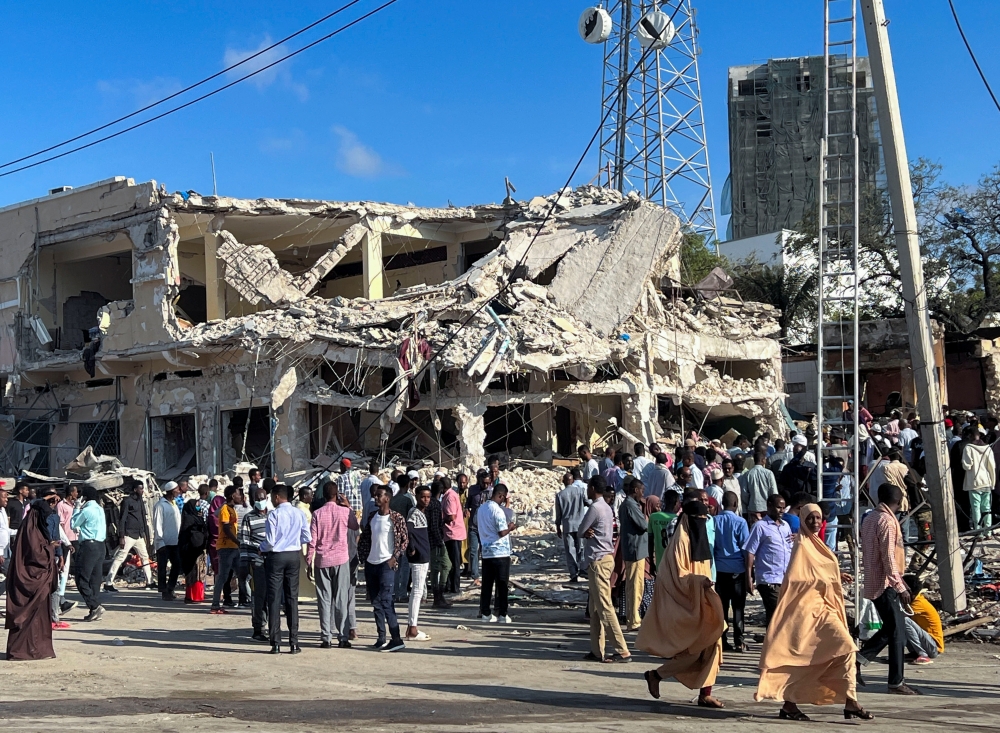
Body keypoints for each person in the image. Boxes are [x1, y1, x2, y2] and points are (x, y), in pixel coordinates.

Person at [756, 503, 873, 722]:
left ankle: (850, 701)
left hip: (824, 609)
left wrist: (837, 576)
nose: (815, 522)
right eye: (810, 518)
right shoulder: (801, 545)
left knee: (841, 653)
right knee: (830, 651)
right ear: (802, 519)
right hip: (808, 612)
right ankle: (791, 704)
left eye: (818, 518)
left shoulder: (818, 544)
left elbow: (822, 572)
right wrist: (827, 579)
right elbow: (796, 579)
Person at [639, 500, 725, 708]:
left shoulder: (700, 540)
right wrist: (698, 582)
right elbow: (678, 577)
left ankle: (706, 693)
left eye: (704, 521)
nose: (701, 524)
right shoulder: (681, 542)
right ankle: (656, 675)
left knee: (714, 646)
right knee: (694, 651)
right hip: (684, 604)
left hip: (703, 601)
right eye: (698, 520)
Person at [857, 483, 920, 694]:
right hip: (885, 582)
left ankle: (858, 659)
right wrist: (900, 586)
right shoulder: (886, 521)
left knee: (893, 629)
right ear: (899, 500)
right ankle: (896, 682)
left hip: (876, 580)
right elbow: (888, 557)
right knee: (897, 632)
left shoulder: (870, 518)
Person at [579, 477, 631, 663]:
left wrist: (586, 532)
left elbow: (580, 529)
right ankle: (596, 649)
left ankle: (622, 649)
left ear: (593, 489)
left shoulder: (595, 507)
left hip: (598, 560)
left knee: (604, 606)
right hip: (606, 558)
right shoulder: (608, 508)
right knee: (595, 608)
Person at [5, 491, 60, 660]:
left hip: (37, 581)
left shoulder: (30, 525)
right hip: (32, 579)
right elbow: (37, 556)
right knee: (31, 617)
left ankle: (38, 650)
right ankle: (25, 651)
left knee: (39, 616)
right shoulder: (32, 531)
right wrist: (50, 548)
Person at [307, 481, 360, 648]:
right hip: (341, 559)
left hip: (322, 560)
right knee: (341, 598)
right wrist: (348, 506)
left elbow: (312, 541)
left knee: (324, 598)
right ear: (337, 495)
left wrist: (309, 560)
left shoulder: (317, 514)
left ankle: (326, 637)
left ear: (323, 495)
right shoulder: (344, 512)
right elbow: (355, 526)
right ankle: (343, 636)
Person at [260, 484, 310, 654]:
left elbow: (270, 541)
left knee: (274, 598)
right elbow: (307, 536)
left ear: (276, 497)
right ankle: (294, 642)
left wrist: (262, 547)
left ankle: (276, 643)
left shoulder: (274, 514)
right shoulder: (299, 513)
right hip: (293, 555)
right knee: (292, 598)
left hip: (276, 556)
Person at [358, 485, 408, 652]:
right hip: (371, 564)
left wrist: (395, 557)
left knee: (386, 601)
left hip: (386, 564)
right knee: (376, 603)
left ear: (387, 498)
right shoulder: (372, 516)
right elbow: (365, 537)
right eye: (375, 495)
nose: (376, 498)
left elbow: (404, 541)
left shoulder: (396, 518)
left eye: (379, 495)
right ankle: (381, 638)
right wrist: (363, 558)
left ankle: (396, 638)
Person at [744, 493, 793, 628]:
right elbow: (750, 551)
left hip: (785, 578)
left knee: (780, 614)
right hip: (769, 578)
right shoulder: (760, 526)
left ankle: (772, 644)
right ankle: (773, 645)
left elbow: (790, 550)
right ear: (769, 506)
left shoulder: (785, 526)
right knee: (776, 611)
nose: (781, 511)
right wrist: (749, 576)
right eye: (778, 507)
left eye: (783, 508)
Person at [714, 491, 749, 652]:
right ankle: (739, 640)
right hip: (737, 570)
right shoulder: (740, 522)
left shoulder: (714, 521)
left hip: (720, 570)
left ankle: (722, 640)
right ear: (735, 504)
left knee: (721, 607)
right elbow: (745, 548)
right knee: (738, 607)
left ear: (722, 503)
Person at [104, 480, 153, 592]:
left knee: (145, 557)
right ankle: (108, 583)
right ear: (135, 489)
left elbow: (143, 519)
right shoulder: (127, 501)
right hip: (128, 535)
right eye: (141, 488)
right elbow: (122, 519)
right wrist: (121, 536)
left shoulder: (141, 501)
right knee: (119, 558)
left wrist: (146, 534)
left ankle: (150, 581)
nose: (142, 491)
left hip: (139, 535)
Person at [477, 484, 516, 623]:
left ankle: (486, 613)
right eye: (503, 498)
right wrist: (510, 527)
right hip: (500, 553)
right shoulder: (497, 511)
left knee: (487, 584)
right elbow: (501, 532)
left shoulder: (481, 509)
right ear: (501, 496)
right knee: (502, 584)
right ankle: (503, 614)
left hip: (487, 552)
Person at [70, 485, 107, 623]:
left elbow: (73, 524)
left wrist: (76, 508)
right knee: (95, 579)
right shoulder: (100, 509)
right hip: (100, 546)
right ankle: (94, 609)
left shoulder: (86, 510)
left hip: (88, 546)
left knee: (81, 578)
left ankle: (95, 605)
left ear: (84, 497)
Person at [239, 486, 270, 640]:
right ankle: (258, 628)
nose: (260, 501)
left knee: (272, 596)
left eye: (262, 498)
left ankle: (273, 627)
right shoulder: (249, 518)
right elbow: (244, 540)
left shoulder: (272, 516)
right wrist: (245, 563)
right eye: (257, 499)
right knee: (259, 596)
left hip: (272, 562)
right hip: (256, 562)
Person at [619, 479, 649, 632]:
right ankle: (633, 619)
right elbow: (643, 525)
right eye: (642, 490)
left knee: (634, 585)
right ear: (636, 490)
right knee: (635, 586)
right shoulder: (631, 505)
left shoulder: (627, 504)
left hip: (634, 549)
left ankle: (633, 617)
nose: (643, 493)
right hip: (636, 550)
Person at [405, 486, 433, 639]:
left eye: (428, 497)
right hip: (419, 557)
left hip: (422, 555)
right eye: (423, 497)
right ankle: (412, 628)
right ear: (416, 496)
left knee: (417, 591)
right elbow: (408, 530)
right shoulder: (415, 513)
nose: (426, 500)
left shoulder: (420, 513)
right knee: (417, 592)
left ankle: (412, 626)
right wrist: (412, 548)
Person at [210, 485, 242, 614]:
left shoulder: (232, 509)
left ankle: (248, 600)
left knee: (242, 574)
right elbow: (227, 529)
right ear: (233, 496)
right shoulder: (225, 509)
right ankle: (215, 604)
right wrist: (237, 541)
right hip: (226, 547)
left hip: (233, 547)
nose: (240, 496)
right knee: (222, 576)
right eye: (238, 494)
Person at [554, 469, 589, 583]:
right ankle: (583, 568)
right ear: (572, 480)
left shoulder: (560, 495)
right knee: (582, 548)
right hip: (580, 524)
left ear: (563, 482)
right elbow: (588, 503)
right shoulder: (580, 491)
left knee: (570, 550)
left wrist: (558, 526)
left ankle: (573, 574)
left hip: (567, 525)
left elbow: (558, 514)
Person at [153, 482, 182, 601]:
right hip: (164, 542)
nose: (178, 491)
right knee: (162, 568)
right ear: (170, 491)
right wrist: (160, 541)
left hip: (175, 541)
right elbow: (157, 524)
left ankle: (171, 588)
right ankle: (164, 591)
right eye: (176, 490)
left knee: (177, 566)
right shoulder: (160, 505)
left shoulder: (173, 504)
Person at [962, 428, 996, 529]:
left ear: (970, 436)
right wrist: (992, 482)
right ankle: (988, 531)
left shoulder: (968, 448)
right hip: (987, 481)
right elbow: (992, 466)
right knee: (987, 507)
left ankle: (978, 531)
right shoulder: (987, 448)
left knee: (976, 508)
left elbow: (967, 466)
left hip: (974, 482)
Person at [426, 480, 452, 609]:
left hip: (429, 540)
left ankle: (438, 596)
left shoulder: (429, 503)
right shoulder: (435, 504)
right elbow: (434, 526)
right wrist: (440, 541)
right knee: (447, 565)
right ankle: (439, 594)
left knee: (435, 569)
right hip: (435, 541)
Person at [178, 497, 209, 604]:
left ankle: (195, 596)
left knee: (198, 573)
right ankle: (193, 597)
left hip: (198, 550)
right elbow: (188, 534)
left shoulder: (197, 517)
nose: (198, 507)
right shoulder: (189, 519)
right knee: (194, 574)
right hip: (191, 550)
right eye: (196, 505)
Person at [441, 476, 466, 593]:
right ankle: (450, 585)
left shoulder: (450, 497)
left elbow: (451, 516)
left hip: (453, 532)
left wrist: (440, 520)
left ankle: (455, 587)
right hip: (451, 533)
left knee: (454, 562)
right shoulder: (450, 495)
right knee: (451, 561)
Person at [743, 450, 778, 522]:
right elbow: (774, 492)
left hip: (753, 508)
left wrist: (749, 502)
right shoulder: (769, 473)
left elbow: (744, 493)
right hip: (767, 508)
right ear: (763, 460)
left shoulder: (748, 474)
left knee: (755, 530)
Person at [649, 490, 681, 569]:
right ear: (676, 502)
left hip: (659, 562)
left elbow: (650, 541)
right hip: (674, 563)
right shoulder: (677, 520)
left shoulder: (653, 517)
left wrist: (651, 561)